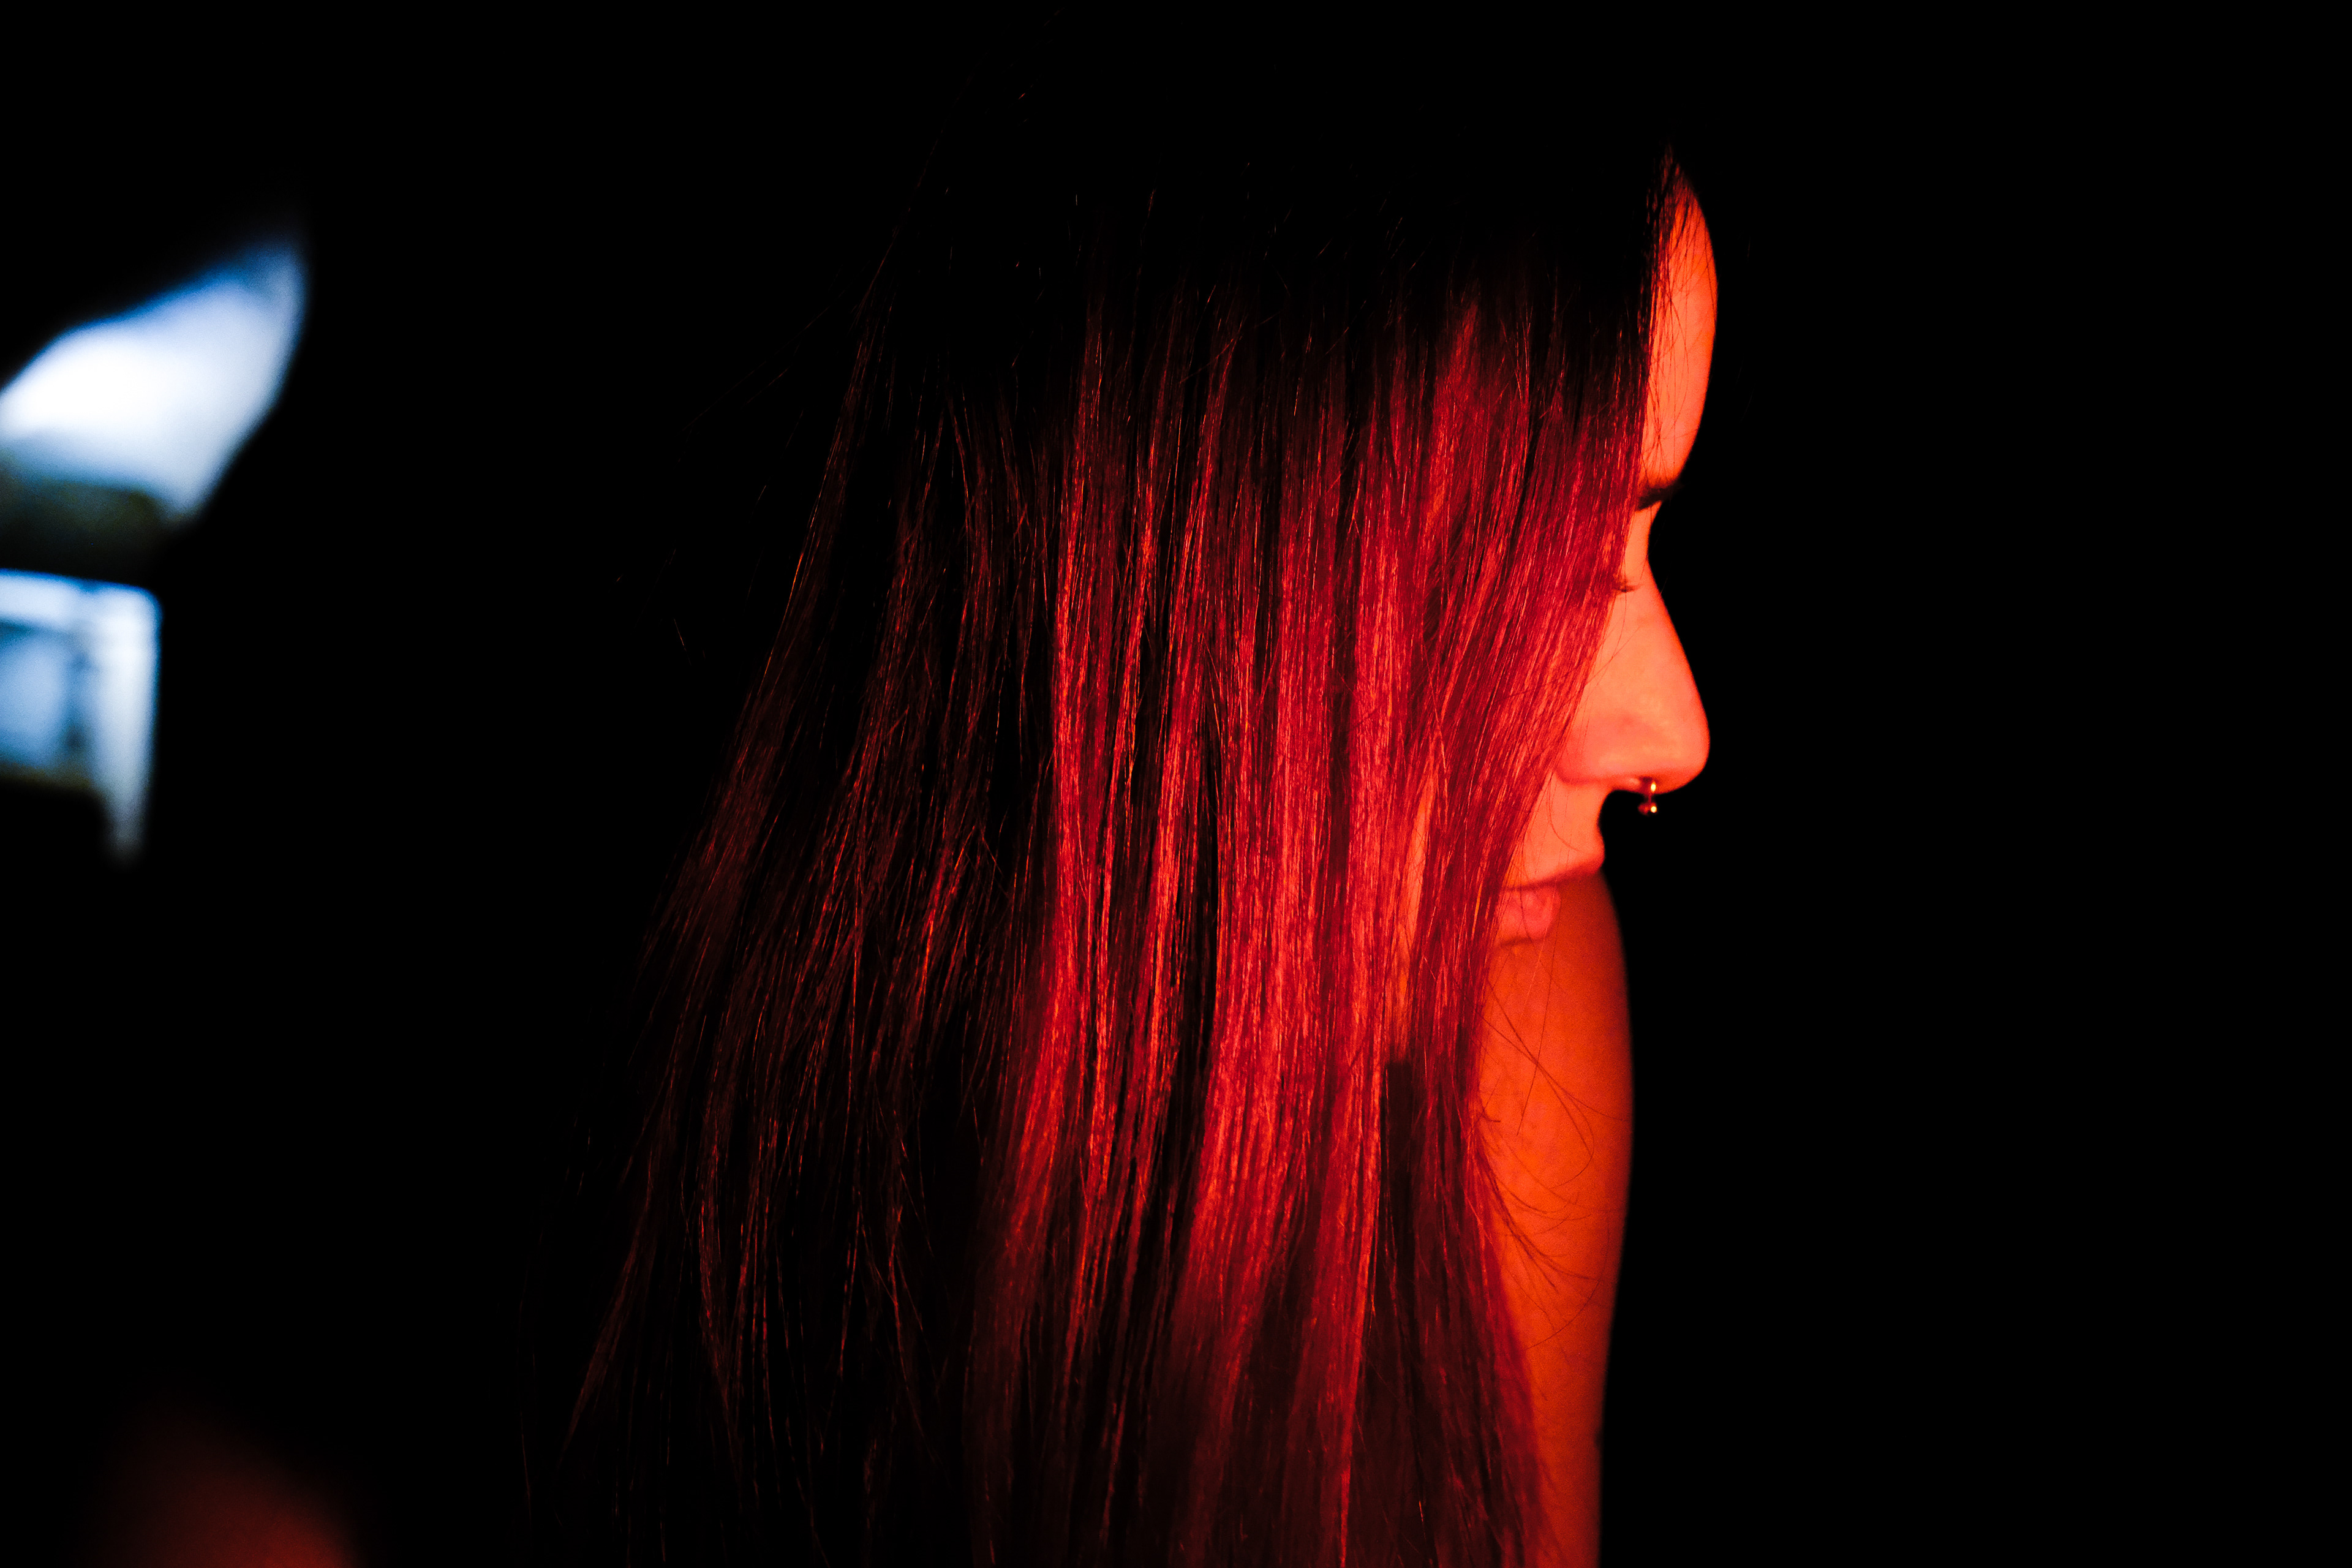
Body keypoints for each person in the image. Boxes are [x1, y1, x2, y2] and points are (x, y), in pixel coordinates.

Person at [562, 66, 1714, 1568]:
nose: (1677, 731)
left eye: (1644, 527)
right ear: (1191, 573)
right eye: (1534, 563)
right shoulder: (616, 1192)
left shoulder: (1512, 1031)